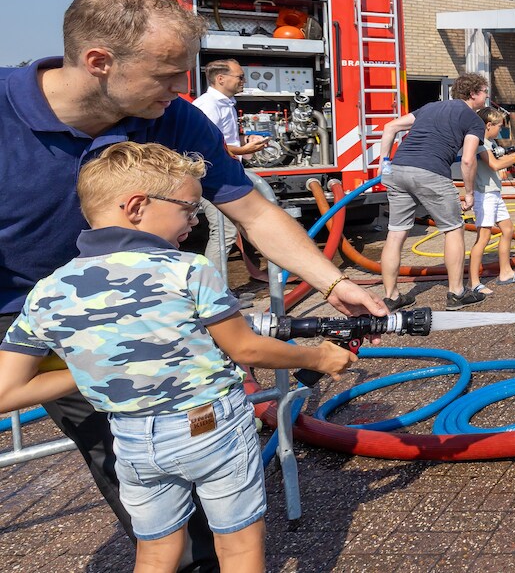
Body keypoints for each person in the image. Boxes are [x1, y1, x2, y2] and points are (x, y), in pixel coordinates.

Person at [0, 0, 386, 571]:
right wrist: (103, 359)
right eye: (167, 73)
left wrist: (334, 283)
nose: (184, 88)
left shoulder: (172, 117)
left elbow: (253, 211)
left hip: (132, 306)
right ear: (100, 62)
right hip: (27, 309)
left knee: (158, 468)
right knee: (123, 451)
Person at [0, 142, 357, 572]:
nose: (194, 221)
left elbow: (8, 390)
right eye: (188, 208)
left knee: (154, 551)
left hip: (130, 439)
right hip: (209, 427)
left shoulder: (47, 291)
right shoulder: (186, 269)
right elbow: (244, 348)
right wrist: (320, 358)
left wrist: (107, 368)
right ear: (136, 206)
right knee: (239, 547)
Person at [376, 72, 490, 311]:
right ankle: (457, 293)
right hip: (431, 172)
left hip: (397, 170)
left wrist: (384, 164)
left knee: (395, 234)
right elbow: (468, 161)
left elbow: (390, 127)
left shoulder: (429, 108)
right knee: (453, 229)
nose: (487, 96)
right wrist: (469, 193)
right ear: (473, 94)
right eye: (484, 92)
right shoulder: (473, 120)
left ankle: (392, 296)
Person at [191, 58, 267, 275]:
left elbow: (223, 140)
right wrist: (245, 150)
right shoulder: (209, 105)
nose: (244, 81)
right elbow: (207, 146)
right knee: (223, 233)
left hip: (223, 175)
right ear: (220, 79)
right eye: (240, 77)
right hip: (213, 178)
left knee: (228, 231)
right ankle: (216, 292)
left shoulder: (224, 103)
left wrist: (245, 143)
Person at [468, 107, 515, 295]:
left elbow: (501, 158)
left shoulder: (489, 142)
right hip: (485, 195)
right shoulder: (480, 143)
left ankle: (505, 273)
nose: (500, 130)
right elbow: (495, 164)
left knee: (508, 229)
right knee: (483, 238)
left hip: (494, 194)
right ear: (489, 125)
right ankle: (473, 283)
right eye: (499, 126)